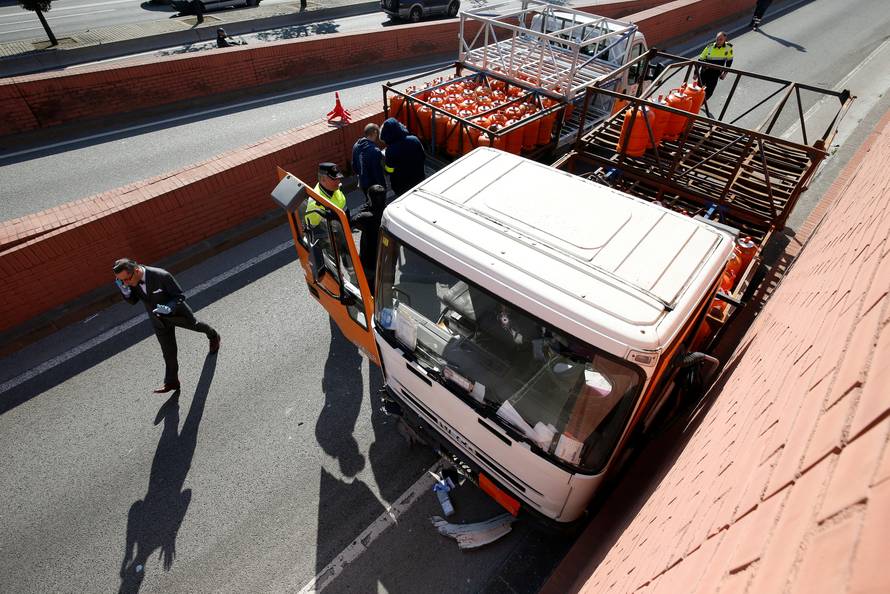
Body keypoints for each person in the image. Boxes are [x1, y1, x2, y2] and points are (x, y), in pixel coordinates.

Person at [113, 258, 220, 393]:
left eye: (126, 280)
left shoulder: (161, 275)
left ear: (136, 270)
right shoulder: (129, 281)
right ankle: (172, 382)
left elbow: (179, 296)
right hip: (158, 320)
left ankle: (213, 335)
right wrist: (125, 291)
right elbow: (133, 301)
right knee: (168, 352)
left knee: (197, 325)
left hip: (176, 313)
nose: (125, 283)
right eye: (120, 281)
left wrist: (169, 307)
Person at [349, 184, 386, 291]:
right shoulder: (387, 212)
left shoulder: (366, 216)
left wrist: (367, 205)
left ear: (370, 198)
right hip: (384, 257)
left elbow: (351, 221)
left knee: (369, 287)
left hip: (369, 260)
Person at [380, 117, 426, 198]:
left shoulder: (390, 150)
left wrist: (384, 166)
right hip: (419, 180)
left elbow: (389, 170)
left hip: (401, 187)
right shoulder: (414, 139)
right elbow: (423, 157)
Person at [352, 123, 386, 198]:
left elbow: (354, 165)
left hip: (363, 183)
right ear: (375, 132)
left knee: (369, 201)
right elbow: (377, 172)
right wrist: (383, 186)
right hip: (374, 186)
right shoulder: (375, 151)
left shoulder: (356, 145)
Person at [696, 32, 733, 101]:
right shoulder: (709, 47)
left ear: (725, 39)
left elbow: (729, 61)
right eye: (717, 39)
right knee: (698, 90)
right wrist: (696, 73)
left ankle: (700, 104)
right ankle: (695, 104)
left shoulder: (728, 48)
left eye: (721, 39)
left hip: (715, 74)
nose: (718, 41)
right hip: (705, 72)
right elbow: (700, 59)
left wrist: (725, 74)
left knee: (709, 92)